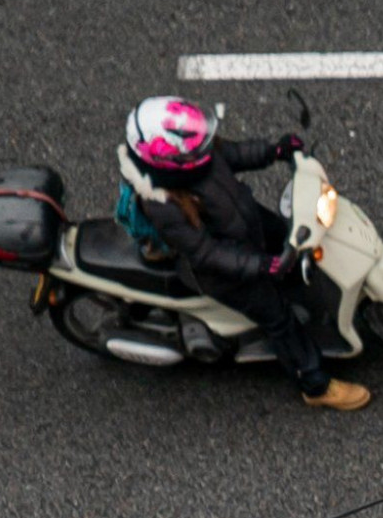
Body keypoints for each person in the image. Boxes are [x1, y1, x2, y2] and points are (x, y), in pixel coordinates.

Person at [120, 96, 368, 411]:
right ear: (171, 161)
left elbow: (233, 154)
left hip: (246, 224)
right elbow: (207, 254)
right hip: (224, 273)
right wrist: (262, 265)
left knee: (294, 239)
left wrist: (274, 150)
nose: (206, 149)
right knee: (277, 317)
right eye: (199, 148)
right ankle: (314, 383)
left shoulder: (199, 155)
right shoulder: (161, 203)